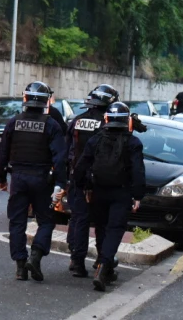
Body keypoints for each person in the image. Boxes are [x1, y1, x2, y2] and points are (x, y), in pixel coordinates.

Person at [0, 81, 67, 282]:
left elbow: (3, 154)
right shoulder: (51, 125)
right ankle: (35, 257)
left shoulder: (14, 122)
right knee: (46, 220)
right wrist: (60, 184)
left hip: (18, 178)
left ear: (25, 99)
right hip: (42, 179)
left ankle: (20, 266)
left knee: (17, 221)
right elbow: (60, 158)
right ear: (46, 101)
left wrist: (2, 179)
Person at [74, 102, 146, 292]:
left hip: (98, 191)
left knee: (101, 228)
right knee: (115, 229)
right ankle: (104, 266)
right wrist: (138, 195)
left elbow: (81, 165)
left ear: (106, 119)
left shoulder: (95, 140)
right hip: (121, 193)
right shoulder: (133, 143)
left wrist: (81, 186)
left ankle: (102, 264)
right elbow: (138, 171)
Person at [65, 84, 119, 278]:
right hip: (101, 181)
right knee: (103, 223)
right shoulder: (108, 124)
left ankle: (77, 262)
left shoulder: (77, 121)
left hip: (77, 178)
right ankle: (103, 263)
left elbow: (68, 150)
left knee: (80, 220)